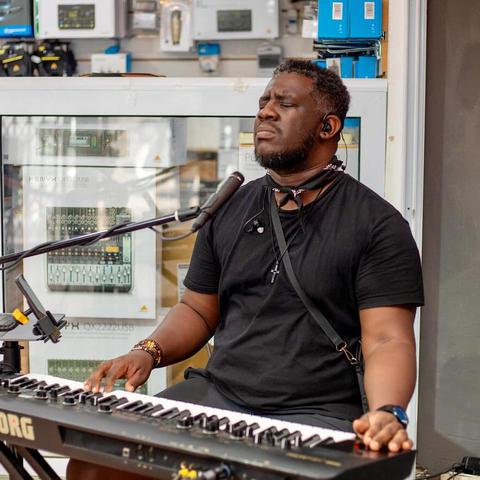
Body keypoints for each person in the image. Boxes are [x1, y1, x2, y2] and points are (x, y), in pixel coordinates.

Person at [67, 59, 424, 480]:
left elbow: (386, 339)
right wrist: (147, 351)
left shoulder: (377, 225)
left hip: (316, 414)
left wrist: (387, 412)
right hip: (219, 396)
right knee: (94, 463)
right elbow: (198, 310)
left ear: (328, 127)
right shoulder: (230, 206)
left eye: (284, 104)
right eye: (263, 103)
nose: (266, 112)